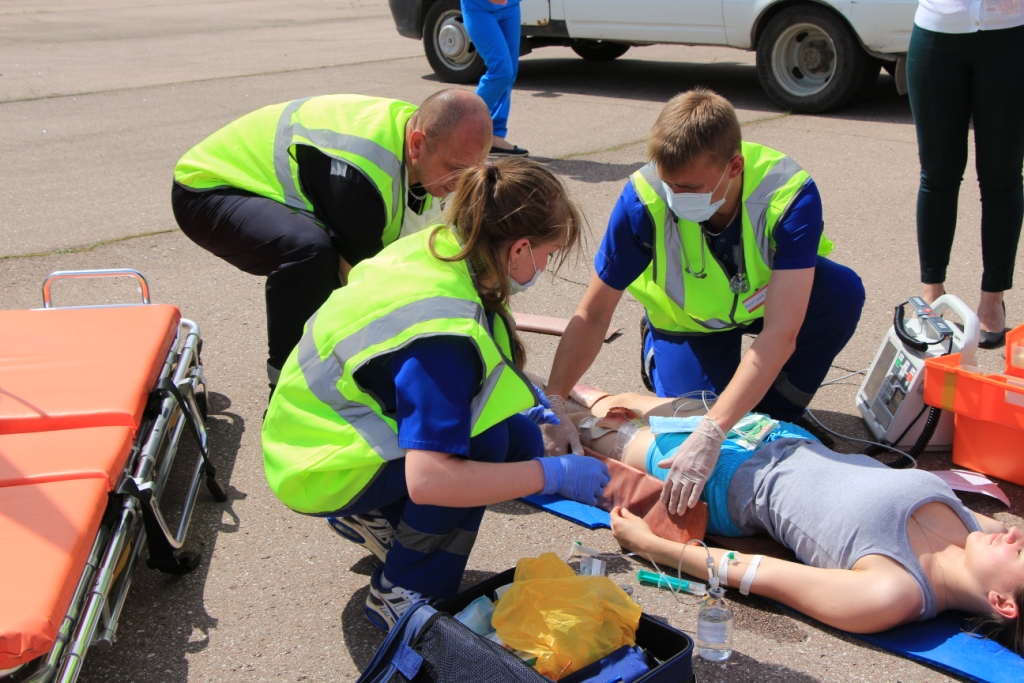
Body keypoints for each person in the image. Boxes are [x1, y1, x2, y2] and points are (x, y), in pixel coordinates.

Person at [261, 158, 610, 631]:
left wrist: (534, 399)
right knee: (480, 448)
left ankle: (374, 512)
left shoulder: (441, 248)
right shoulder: (444, 339)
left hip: (313, 425)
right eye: (547, 255)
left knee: (517, 442)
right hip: (319, 464)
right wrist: (553, 474)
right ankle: (401, 591)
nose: (543, 268)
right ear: (520, 248)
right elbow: (434, 481)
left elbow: (472, 353)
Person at [544, 88, 866, 516]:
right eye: (668, 182)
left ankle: (776, 412)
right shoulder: (644, 200)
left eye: (690, 187)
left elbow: (781, 334)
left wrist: (716, 431)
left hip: (762, 304)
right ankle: (668, 357)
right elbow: (594, 311)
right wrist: (555, 401)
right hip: (688, 322)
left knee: (841, 293)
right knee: (687, 424)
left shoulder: (787, 195)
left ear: (734, 167)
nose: (676, 195)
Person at [570, 391, 1023, 648]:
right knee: (615, 398)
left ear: (1003, 603)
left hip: (722, 478)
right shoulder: (976, 534)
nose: (1015, 534)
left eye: (1020, 552)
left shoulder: (891, 594)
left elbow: (755, 574)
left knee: (581, 424)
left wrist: (650, 545)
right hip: (777, 435)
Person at [172, 90, 493, 390]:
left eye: (472, 171)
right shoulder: (362, 172)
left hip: (290, 184)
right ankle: (287, 385)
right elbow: (362, 285)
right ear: (417, 145)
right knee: (312, 254)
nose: (460, 184)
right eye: (455, 169)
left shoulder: (428, 141)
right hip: (207, 188)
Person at [908, 0, 1024, 349]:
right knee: (938, 174)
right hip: (937, 35)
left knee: (1001, 177)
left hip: (1009, 36)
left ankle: (992, 297)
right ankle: (932, 292)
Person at [462, 0, 528, 155]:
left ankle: (494, 136)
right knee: (501, 71)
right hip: (479, 7)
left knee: (509, 74)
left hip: (510, 6)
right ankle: (461, 125)